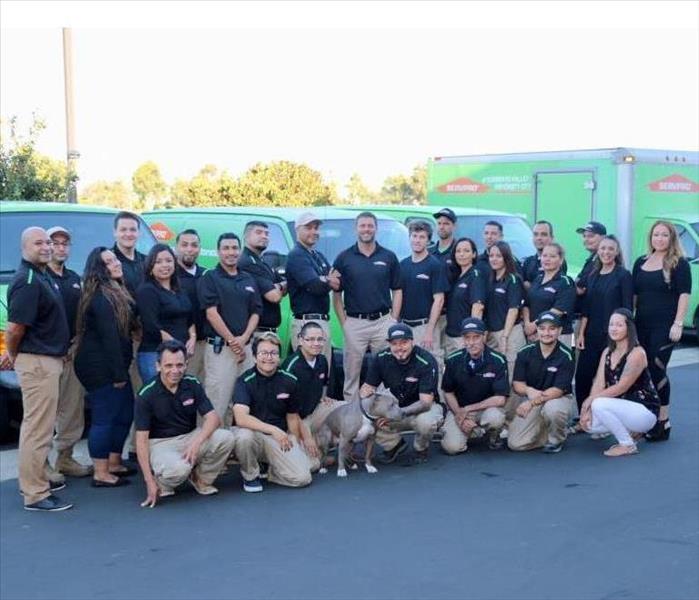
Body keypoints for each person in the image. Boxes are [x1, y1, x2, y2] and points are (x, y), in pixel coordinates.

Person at [1, 228, 72, 512]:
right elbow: (15, 328)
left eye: (48, 242)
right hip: (37, 362)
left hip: (47, 360)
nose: (46, 247)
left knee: (40, 426)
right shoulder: (28, 280)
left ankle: (37, 479)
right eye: (38, 243)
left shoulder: (41, 275)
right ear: (24, 247)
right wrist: (13, 355)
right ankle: (34, 493)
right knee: (37, 430)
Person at [135, 340, 236, 506]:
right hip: (161, 443)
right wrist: (149, 481)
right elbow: (141, 441)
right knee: (178, 470)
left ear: (186, 364)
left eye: (179, 365)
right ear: (158, 366)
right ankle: (163, 483)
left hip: (190, 435)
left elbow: (213, 418)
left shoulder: (192, 383)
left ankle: (200, 479)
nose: (175, 371)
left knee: (226, 437)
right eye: (168, 366)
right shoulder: (146, 394)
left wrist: (196, 442)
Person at [74, 247, 139, 488]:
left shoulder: (117, 290)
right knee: (104, 417)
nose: (116, 263)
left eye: (115, 259)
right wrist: (119, 374)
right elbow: (110, 337)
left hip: (114, 363)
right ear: (100, 269)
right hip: (99, 366)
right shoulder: (101, 296)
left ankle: (114, 462)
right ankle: (100, 473)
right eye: (110, 262)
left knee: (124, 413)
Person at [231, 333, 317, 492]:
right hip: (254, 435)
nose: (269, 358)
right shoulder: (244, 381)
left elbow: (292, 416)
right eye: (263, 353)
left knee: (303, 477)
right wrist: (272, 429)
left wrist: (295, 438)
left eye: (273, 353)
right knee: (243, 437)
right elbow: (241, 418)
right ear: (255, 357)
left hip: (280, 439)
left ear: (279, 357)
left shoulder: (289, 380)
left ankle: (271, 470)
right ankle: (250, 476)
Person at [632, 220, 691, 442]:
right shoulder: (641, 262)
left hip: (665, 327)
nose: (659, 238)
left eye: (664, 235)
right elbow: (635, 296)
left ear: (671, 238)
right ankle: (647, 418)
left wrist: (678, 323)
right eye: (656, 235)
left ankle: (663, 421)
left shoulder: (679, 264)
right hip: (641, 325)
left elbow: (684, 295)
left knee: (657, 370)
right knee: (642, 372)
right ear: (651, 238)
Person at [333, 212, 401, 401]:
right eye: (362, 226)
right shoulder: (344, 258)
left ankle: (380, 416)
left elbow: (397, 290)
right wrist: (344, 323)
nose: (366, 229)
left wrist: (393, 320)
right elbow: (336, 294)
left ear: (376, 228)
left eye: (370, 226)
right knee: (351, 375)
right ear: (356, 229)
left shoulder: (389, 257)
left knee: (385, 372)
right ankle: (352, 419)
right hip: (355, 323)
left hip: (383, 323)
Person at [197, 233, 262, 426]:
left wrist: (244, 338)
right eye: (226, 248)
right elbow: (211, 314)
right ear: (218, 252)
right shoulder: (210, 278)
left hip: (247, 349)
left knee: (245, 402)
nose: (231, 252)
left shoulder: (248, 278)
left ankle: (235, 447)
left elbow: (256, 311)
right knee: (217, 401)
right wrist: (233, 341)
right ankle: (213, 449)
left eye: (235, 248)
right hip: (221, 351)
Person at [580, 309, 660, 456]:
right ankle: (630, 432)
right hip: (624, 408)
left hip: (645, 411)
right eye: (611, 324)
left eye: (619, 325)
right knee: (589, 424)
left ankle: (627, 445)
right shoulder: (607, 352)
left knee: (599, 404)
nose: (614, 328)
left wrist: (590, 401)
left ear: (628, 328)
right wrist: (588, 410)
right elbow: (599, 383)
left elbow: (621, 387)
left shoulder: (637, 353)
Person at [360, 323, 444, 464]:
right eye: (395, 343)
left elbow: (425, 403)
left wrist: (397, 413)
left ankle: (421, 448)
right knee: (367, 411)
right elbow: (366, 389)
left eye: (404, 342)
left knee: (425, 423)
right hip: (397, 405)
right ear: (390, 344)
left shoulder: (426, 361)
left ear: (412, 341)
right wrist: (366, 395)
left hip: (424, 407)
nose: (399, 348)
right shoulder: (381, 358)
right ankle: (394, 445)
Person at [45, 226, 92, 479]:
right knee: (45, 412)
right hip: (48, 355)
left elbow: (83, 315)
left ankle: (65, 458)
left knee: (72, 408)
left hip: (73, 352)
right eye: (55, 242)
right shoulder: (40, 277)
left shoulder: (75, 278)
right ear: (46, 245)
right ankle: (43, 464)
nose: (60, 247)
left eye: (65, 243)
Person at [575, 235, 633, 410]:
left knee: (609, 379)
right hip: (591, 334)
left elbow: (627, 309)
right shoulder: (593, 274)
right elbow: (586, 308)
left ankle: (605, 418)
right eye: (603, 248)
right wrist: (581, 334)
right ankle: (584, 416)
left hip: (613, 336)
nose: (606, 252)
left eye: (610, 249)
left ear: (616, 252)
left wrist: (624, 338)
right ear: (598, 251)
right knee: (583, 377)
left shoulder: (623, 275)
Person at [507, 312, 575, 453]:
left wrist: (531, 402)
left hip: (557, 398)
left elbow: (558, 390)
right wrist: (528, 391)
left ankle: (557, 439)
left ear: (560, 331)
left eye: (552, 329)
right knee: (515, 444)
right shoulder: (525, 352)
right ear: (537, 330)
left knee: (553, 409)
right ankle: (546, 431)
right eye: (542, 328)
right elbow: (517, 384)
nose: (546, 333)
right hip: (534, 398)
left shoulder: (566, 355)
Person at [440, 318, 509, 455]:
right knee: (452, 448)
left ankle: (492, 436)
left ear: (484, 336)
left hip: (485, 409)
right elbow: (448, 392)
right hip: (458, 410)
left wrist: (468, 409)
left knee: (495, 418)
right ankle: (472, 432)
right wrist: (460, 414)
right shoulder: (453, 360)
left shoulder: (498, 360)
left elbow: (500, 399)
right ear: (463, 339)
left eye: (476, 337)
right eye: (467, 338)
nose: (471, 343)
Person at [286, 212, 341, 366]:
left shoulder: (317, 255)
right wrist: (325, 280)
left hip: (322, 322)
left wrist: (325, 279)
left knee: (323, 374)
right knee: (307, 376)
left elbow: (337, 280)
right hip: (306, 324)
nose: (314, 232)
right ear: (298, 229)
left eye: (316, 228)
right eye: (308, 227)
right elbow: (315, 286)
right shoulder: (296, 255)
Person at [136, 244, 195, 383]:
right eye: (158, 262)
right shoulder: (147, 290)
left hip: (179, 356)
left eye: (168, 261)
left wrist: (192, 338)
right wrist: (177, 348)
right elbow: (152, 326)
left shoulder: (179, 290)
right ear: (150, 266)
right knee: (159, 401)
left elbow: (189, 318)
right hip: (155, 354)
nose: (164, 265)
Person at [396, 220, 449, 356]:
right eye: (414, 236)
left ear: (428, 241)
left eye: (422, 237)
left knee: (430, 368)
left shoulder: (435, 265)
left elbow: (439, 300)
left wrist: (429, 331)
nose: (417, 240)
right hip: (405, 326)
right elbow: (397, 296)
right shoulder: (403, 265)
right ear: (409, 238)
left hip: (425, 327)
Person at [281, 321, 344, 435]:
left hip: (313, 413)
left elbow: (323, 384)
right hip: (293, 420)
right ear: (300, 340)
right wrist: (306, 436)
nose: (316, 343)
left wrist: (324, 398)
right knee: (306, 449)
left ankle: (336, 441)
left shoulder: (322, 360)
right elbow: (286, 408)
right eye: (310, 339)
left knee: (342, 406)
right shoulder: (291, 366)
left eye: (320, 339)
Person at [484, 241, 526, 380]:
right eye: (491, 255)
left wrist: (505, 337)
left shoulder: (513, 279)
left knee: (511, 375)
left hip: (509, 333)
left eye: (499, 256)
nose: (494, 259)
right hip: (492, 333)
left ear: (506, 258)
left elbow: (513, 309)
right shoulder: (490, 279)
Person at [238, 220, 288, 339]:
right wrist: (280, 286)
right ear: (246, 236)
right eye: (259, 232)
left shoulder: (263, 262)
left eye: (266, 233)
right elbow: (274, 296)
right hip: (256, 332)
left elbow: (285, 289)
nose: (264, 236)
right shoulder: (247, 262)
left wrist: (278, 287)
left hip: (268, 332)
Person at [521, 243, 576, 347]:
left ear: (560, 260)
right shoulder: (537, 279)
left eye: (552, 256)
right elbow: (527, 304)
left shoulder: (565, 282)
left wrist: (535, 327)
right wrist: (527, 325)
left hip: (557, 336)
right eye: (544, 255)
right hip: (533, 335)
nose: (547, 259)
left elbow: (558, 310)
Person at [174, 229, 207, 382]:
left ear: (199, 248)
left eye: (194, 245)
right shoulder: (170, 276)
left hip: (206, 345)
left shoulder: (206, 275)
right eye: (184, 245)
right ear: (176, 248)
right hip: (182, 346)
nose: (189, 249)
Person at [443, 237, 485, 356]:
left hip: (464, 339)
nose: (462, 254)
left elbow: (478, 307)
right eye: (458, 251)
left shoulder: (475, 275)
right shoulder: (456, 276)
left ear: (474, 254)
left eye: (466, 251)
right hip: (450, 335)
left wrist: (471, 336)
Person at [520, 220, 567, 290]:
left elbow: (550, 289)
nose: (539, 238)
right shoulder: (528, 262)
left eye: (544, 234)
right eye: (535, 234)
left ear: (552, 238)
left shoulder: (558, 262)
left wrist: (530, 286)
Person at [573, 220, 607, 316]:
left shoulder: (603, 261)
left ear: (603, 237)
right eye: (584, 236)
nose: (586, 239)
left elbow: (581, 288)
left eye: (591, 236)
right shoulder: (591, 259)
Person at [112, 210, 147, 297]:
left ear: (139, 233)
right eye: (123, 230)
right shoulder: (106, 262)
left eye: (133, 230)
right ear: (115, 232)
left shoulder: (147, 261)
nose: (128, 234)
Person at [430, 208, 458, 278]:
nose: (442, 227)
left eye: (446, 224)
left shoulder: (459, 251)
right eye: (439, 223)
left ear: (454, 226)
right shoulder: (429, 251)